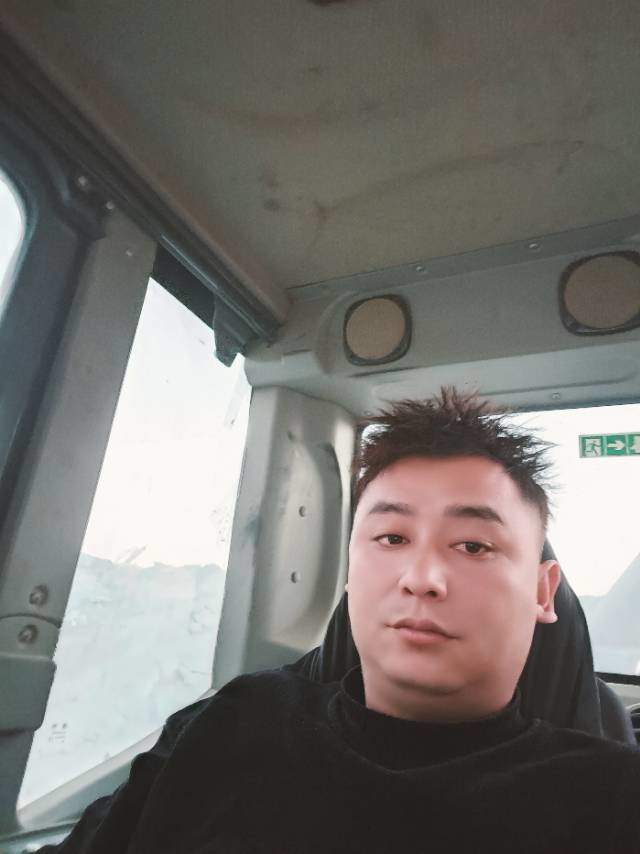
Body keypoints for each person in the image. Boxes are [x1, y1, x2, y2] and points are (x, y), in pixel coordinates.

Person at [40, 389, 640, 853]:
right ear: (351, 572)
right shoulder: (230, 722)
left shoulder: (611, 798)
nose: (422, 577)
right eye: (392, 537)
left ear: (542, 591)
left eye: (473, 546)